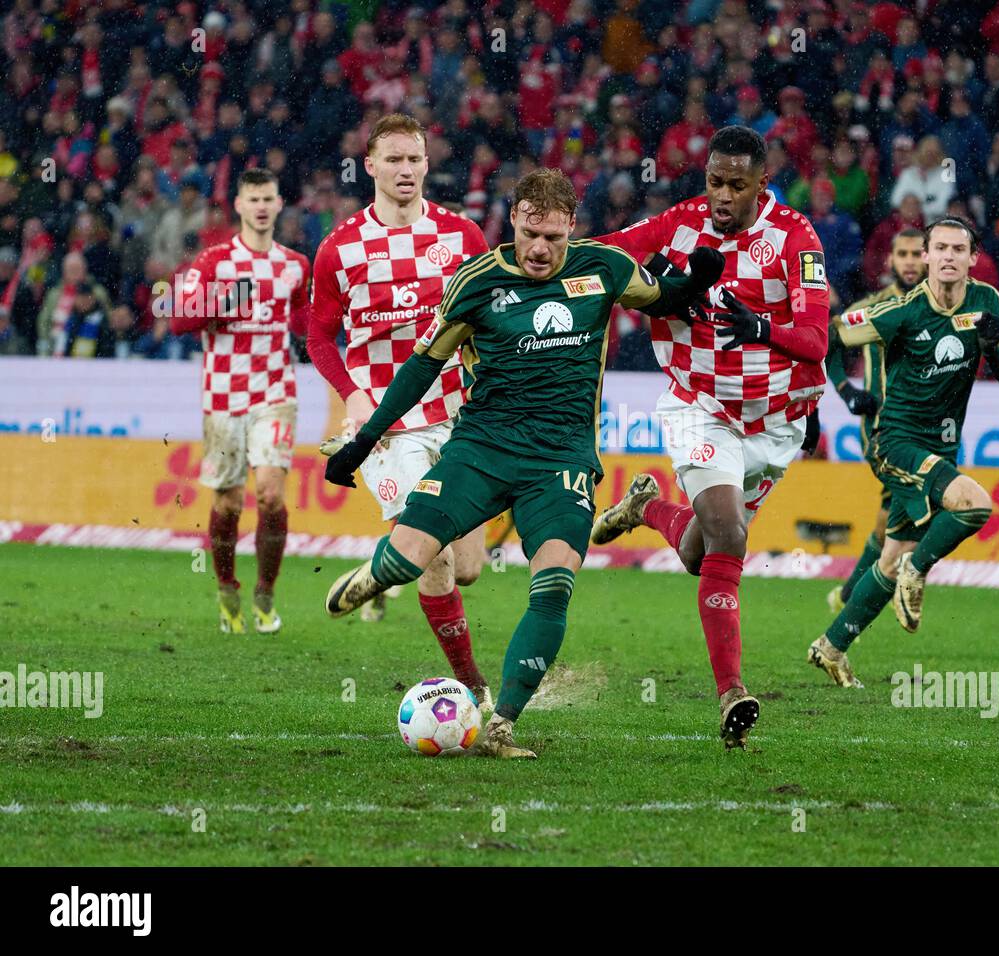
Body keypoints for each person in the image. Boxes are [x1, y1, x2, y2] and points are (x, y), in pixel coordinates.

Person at [320, 168, 723, 758]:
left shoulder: (604, 269)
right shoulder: (475, 282)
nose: (541, 249)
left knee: (554, 583)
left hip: (560, 460)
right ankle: (377, 574)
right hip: (481, 449)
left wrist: (694, 280)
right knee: (411, 562)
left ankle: (502, 721)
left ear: (571, 231)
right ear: (513, 222)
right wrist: (362, 442)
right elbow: (421, 369)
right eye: (531, 233)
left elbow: (663, 298)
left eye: (554, 238)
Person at [588, 126, 829, 748]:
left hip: (774, 422)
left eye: (736, 185)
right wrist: (552, 255)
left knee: (700, 554)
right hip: (699, 407)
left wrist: (760, 327)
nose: (722, 196)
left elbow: (816, 341)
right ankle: (731, 693)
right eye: (715, 182)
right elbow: (608, 253)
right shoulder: (681, 223)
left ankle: (645, 508)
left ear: (761, 184)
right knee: (729, 532)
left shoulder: (796, 239)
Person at [307, 113, 494, 703]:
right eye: (393, 160)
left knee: (468, 568)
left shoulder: (463, 237)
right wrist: (355, 396)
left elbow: (488, 318)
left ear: (426, 162)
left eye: (414, 159)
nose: (405, 170)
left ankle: (382, 570)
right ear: (370, 166)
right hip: (387, 426)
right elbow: (318, 339)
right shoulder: (340, 248)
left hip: (458, 416)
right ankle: (473, 688)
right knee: (435, 559)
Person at [807, 218, 999, 687]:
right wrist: (826, 398)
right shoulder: (899, 311)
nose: (947, 256)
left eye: (957, 249)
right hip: (895, 442)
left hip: (942, 445)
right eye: (938, 248)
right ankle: (917, 570)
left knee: (891, 551)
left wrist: (992, 344)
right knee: (975, 504)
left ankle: (831, 647)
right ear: (926, 257)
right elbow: (827, 336)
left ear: (972, 258)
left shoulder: (988, 303)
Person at [168, 168, 310, 634]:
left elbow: (306, 324)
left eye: (269, 198)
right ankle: (227, 588)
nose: (263, 206)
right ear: (240, 205)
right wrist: (224, 302)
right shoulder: (213, 263)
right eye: (254, 199)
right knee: (228, 504)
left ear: (279, 202)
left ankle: (265, 593)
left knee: (270, 494)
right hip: (224, 397)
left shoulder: (294, 265)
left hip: (275, 392)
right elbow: (178, 323)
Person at [824, 228, 925, 628]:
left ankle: (850, 596)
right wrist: (847, 390)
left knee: (890, 523)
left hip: (926, 428)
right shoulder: (871, 308)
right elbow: (829, 339)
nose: (911, 261)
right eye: (903, 254)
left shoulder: (940, 306)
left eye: (918, 253)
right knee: (915, 513)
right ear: (891, 261)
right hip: (884, 429)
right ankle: (867, 606)